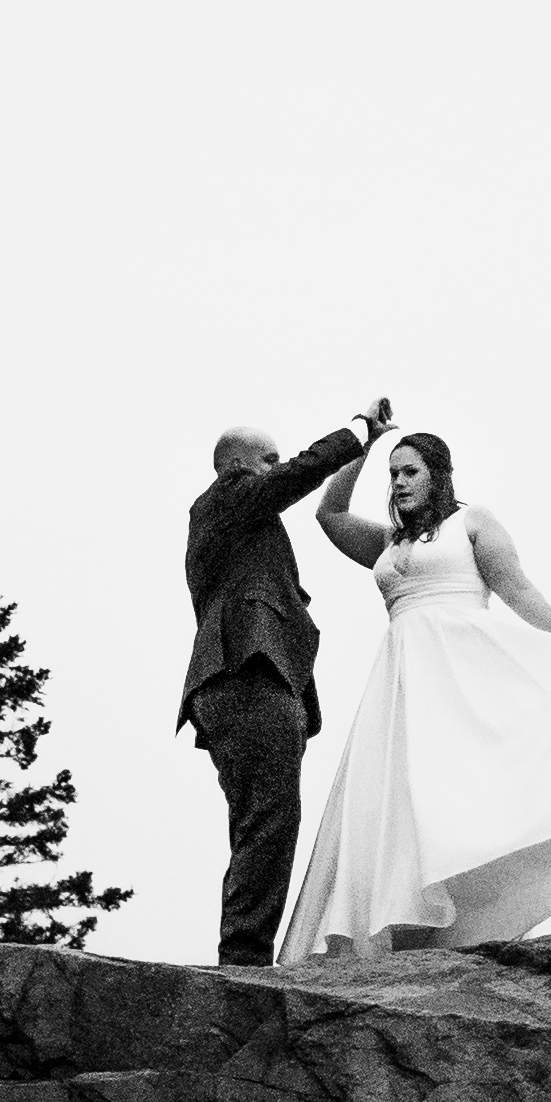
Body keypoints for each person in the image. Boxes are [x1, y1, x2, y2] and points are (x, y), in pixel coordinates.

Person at [277, 427, 551, 961]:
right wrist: (366, 442)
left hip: (462, 674)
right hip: (401, 683)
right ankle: (399, 926)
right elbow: (328, 514)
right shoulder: (387, 543)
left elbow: (515, 586)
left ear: (438, 476)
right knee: (398, 795)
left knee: (458, 791)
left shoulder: (472, 523)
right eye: (393, 474)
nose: (399, 482)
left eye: (411, 472)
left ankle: (461, 906)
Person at [180, 398, 387, 965]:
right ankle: (244, 962)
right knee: (269, 820)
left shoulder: (244, 524)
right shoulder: (224, 500)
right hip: (246, 673)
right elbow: (299, 472)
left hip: (256, 681)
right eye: (267, 459)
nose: (279, 467)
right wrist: (358, 430)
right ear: (238, 466)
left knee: (265, 820)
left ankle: (244, 957)